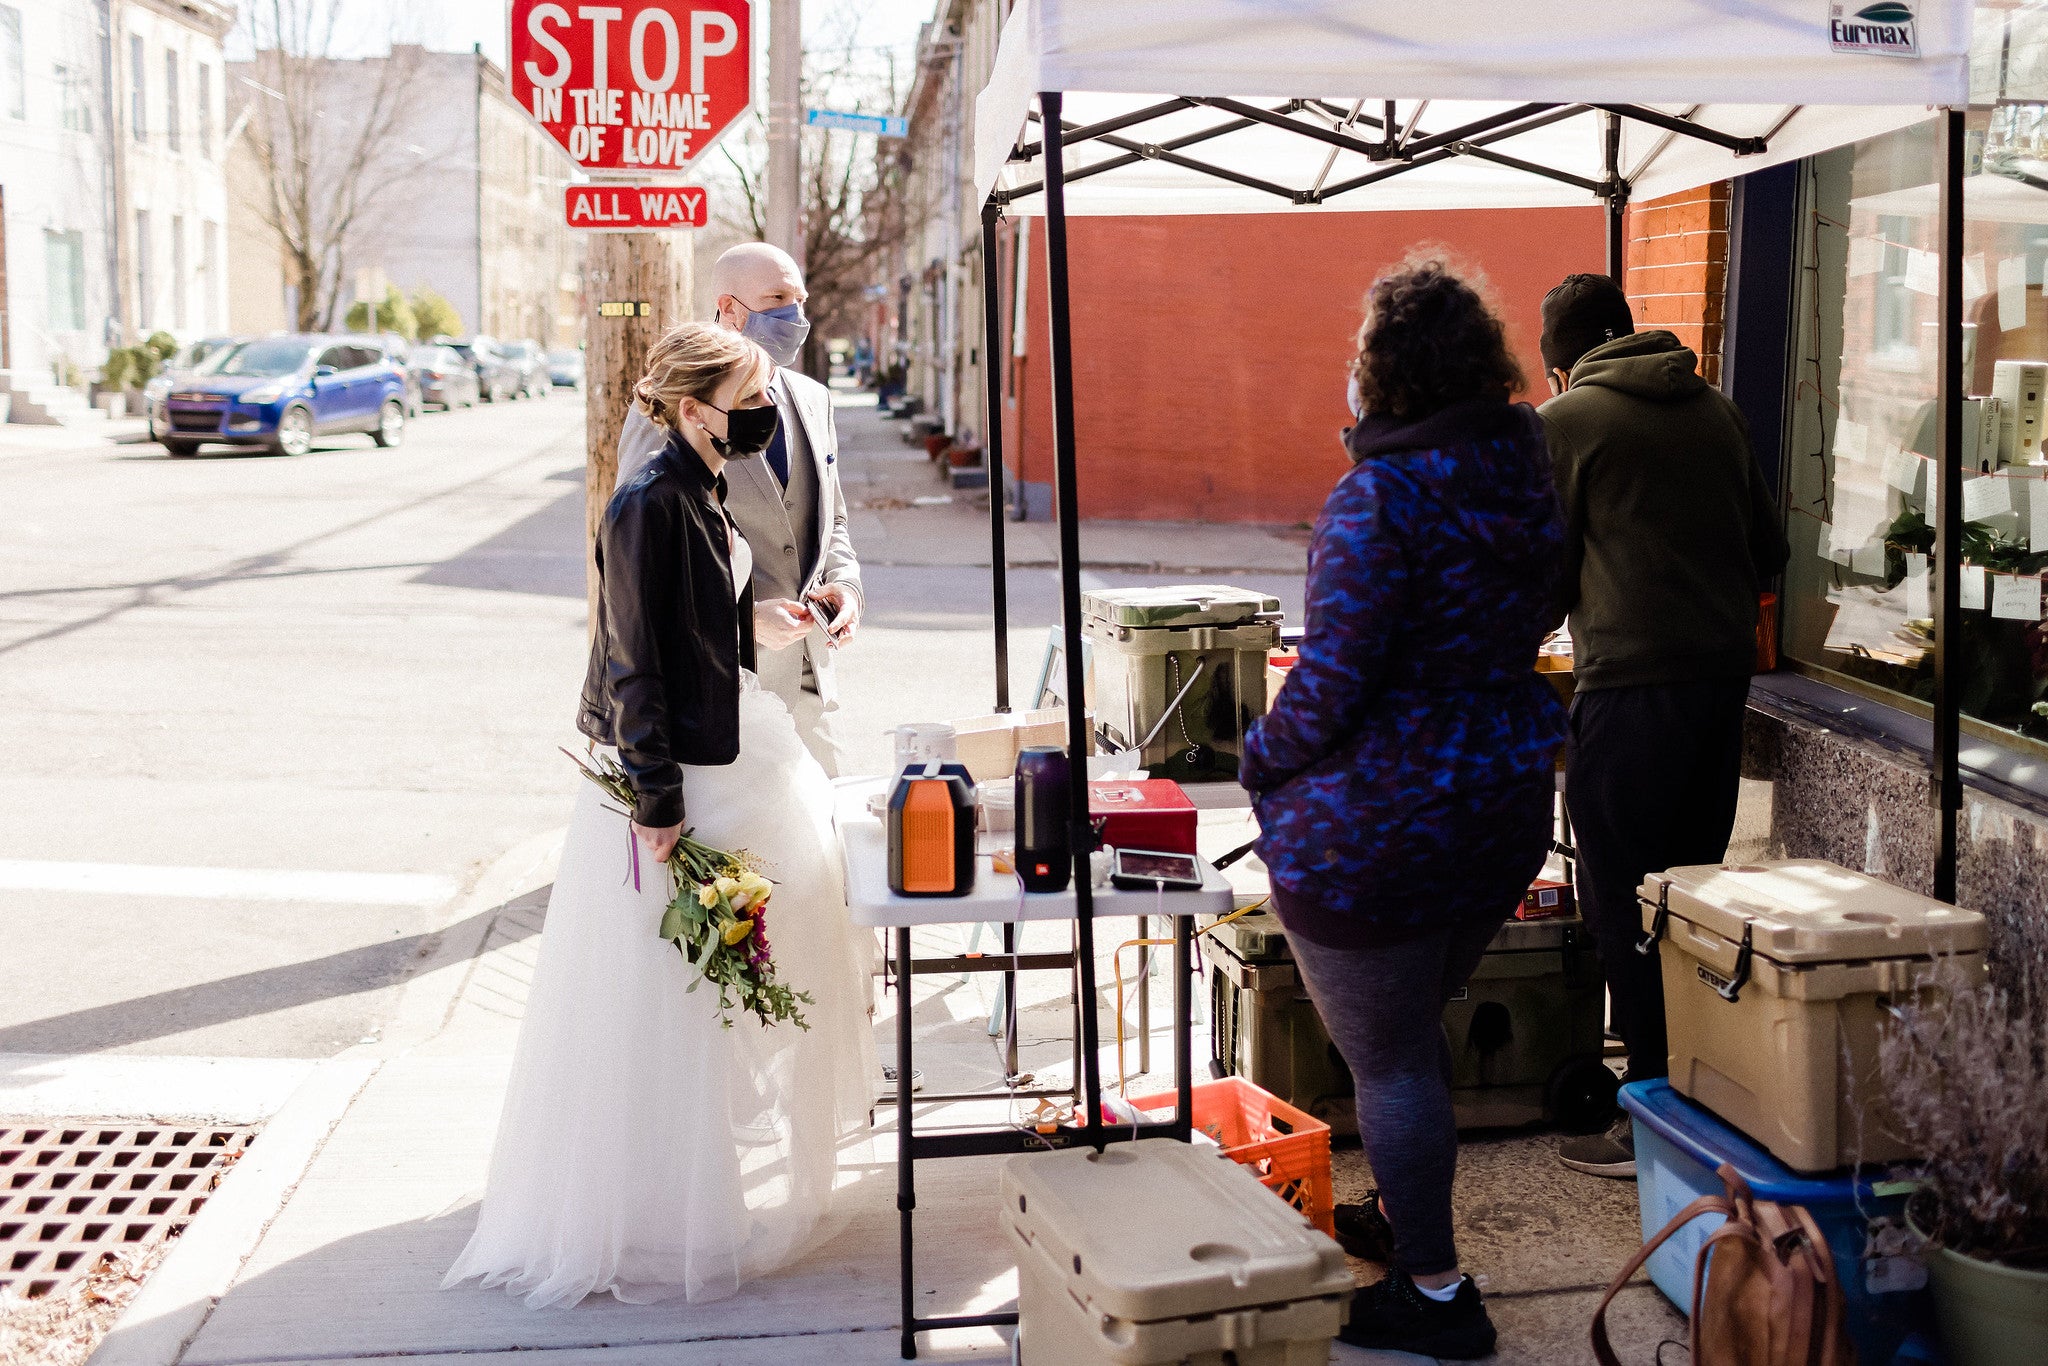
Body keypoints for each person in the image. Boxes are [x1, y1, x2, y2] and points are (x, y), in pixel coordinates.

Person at [443, 324, 872, 1308]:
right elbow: (633, 661)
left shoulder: (698, 484)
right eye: (748, 394)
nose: (765, 410)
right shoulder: (647, 500)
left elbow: (690, 621)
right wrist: (658, 808)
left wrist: (749, 622)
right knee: (667, 1005)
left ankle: (680, 1190)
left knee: (712, 993)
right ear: (691, 409)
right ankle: (647, 1213)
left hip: (718, 750)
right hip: (673, 779)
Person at [1241, 257, 1566, 1360]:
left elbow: (1327, 683)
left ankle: (1431, 1289)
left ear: (1382, 372)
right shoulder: (1523, 465)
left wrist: (1259, 758)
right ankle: (1406, 1209)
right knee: (1408, 1037)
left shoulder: (1377, 496)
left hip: (1379, 827)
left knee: (1388, 1061)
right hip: (1501, 800)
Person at [1537, 274, 1789, 1179]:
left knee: (1623, 905)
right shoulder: (1716, 410)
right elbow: (1771, 550)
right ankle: (1698, 1094)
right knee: (1690, 901)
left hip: (1629, 691)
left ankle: (1645, 1118)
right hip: (1721, 689)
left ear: (1559, 368)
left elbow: (1541, 566)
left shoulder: (1566, 425)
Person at [617, 243, 860, 776]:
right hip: (717, 689)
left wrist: (846, 587)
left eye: (799, 298)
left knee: (831, 839)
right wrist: (742, 624)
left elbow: (831, 519)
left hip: (810, 682)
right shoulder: (669, 403)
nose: (794, 314)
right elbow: (641, 567)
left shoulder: (813, 398)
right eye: (776, 297)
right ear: (728, 310)